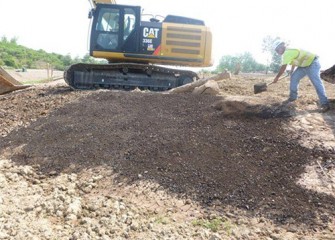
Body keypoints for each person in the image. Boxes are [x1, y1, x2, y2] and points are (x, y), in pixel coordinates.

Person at [272, 41, 330, 112]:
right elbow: (294, 62)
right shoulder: (288, 52)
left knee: (316, 83)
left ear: (281, 46)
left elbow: (283, 67)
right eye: (276, 51)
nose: (277, 52)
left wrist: (277, 78)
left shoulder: (288, 52)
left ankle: (325, 104)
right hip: (303, 66)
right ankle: (293, 98)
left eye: (277, 50)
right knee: (294, 77)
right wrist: (292, 71)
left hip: (312, 63)